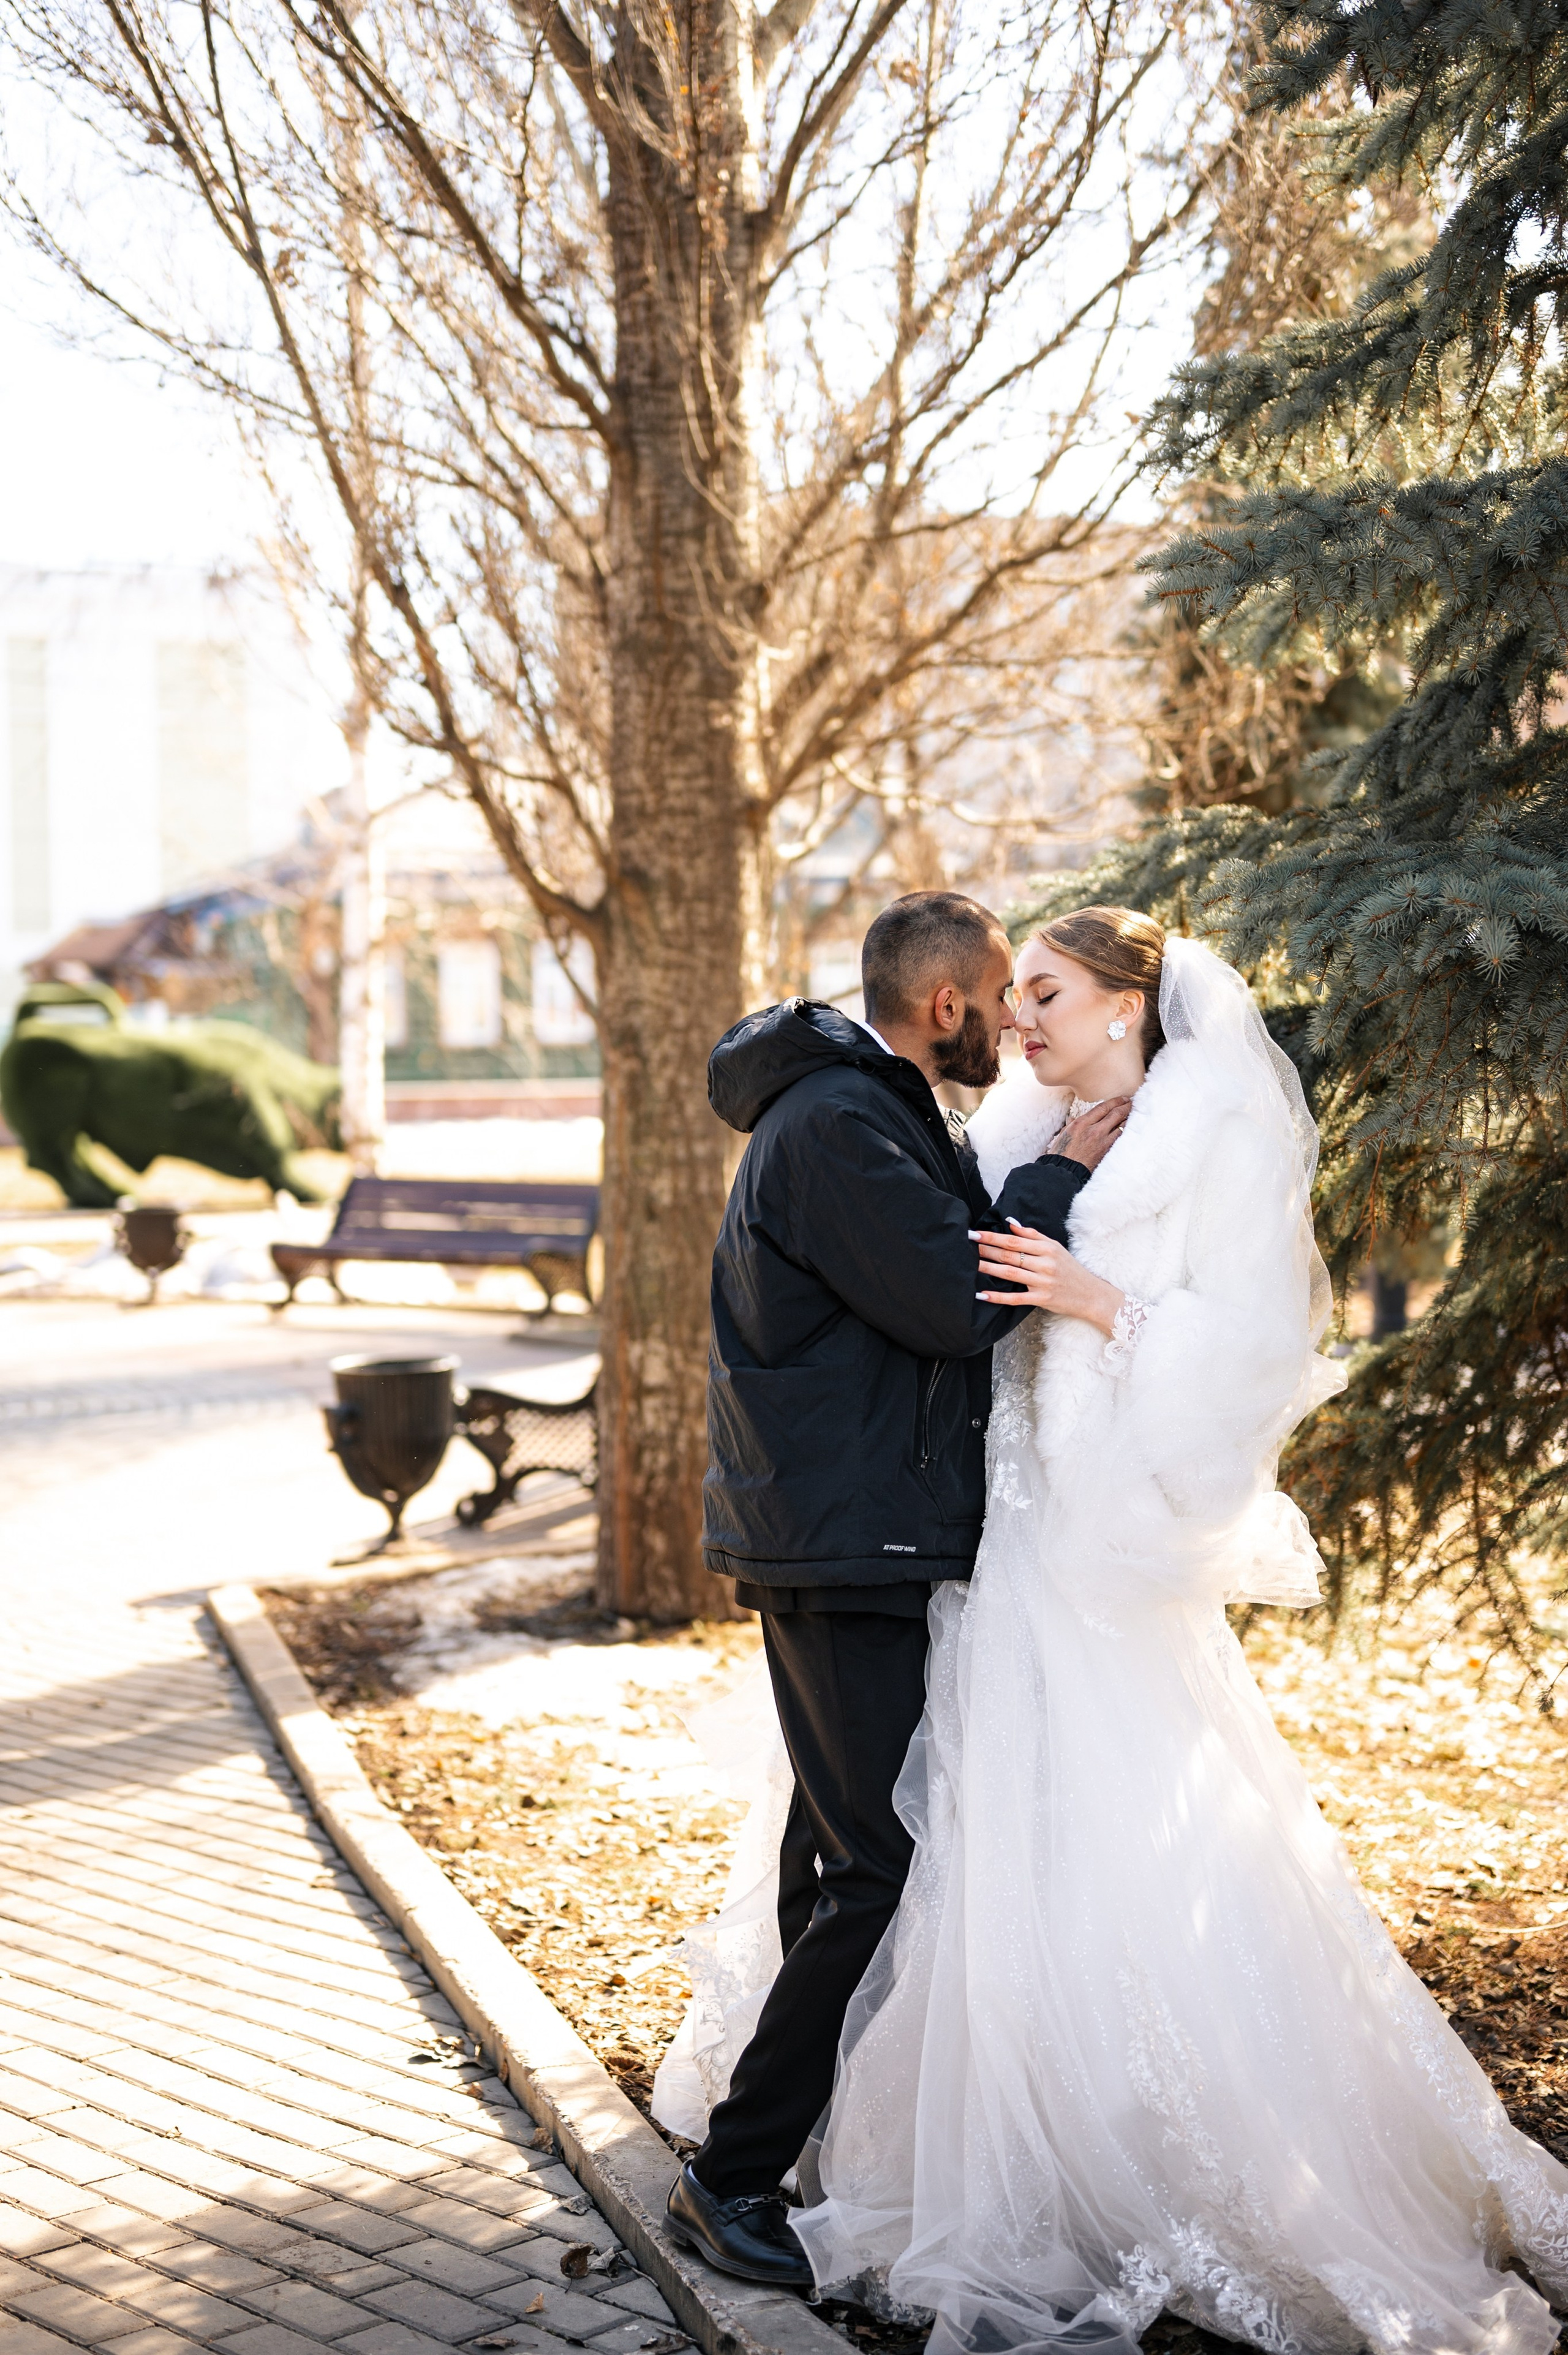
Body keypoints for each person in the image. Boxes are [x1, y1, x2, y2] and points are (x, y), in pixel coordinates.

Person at [786, 907, 1568, 2355]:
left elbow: (1259, 1342)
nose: (1015, 1016)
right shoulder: (1024, 1115)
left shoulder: (1207, 1125)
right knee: (970, 1820)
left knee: (1128, 1818)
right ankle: (964, 2136)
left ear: (1128, 1003)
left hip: (1104, 1532)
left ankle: (1157, 2153)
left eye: (1045, 991)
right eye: (1011, 990)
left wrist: (1104, 1304)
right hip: (991, 1519)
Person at [659, 891, 1128, 2289]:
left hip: (847, 1528)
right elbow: (949, 1301)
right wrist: (1050, 1183)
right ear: (946, 1004)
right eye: (1004, 993)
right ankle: (730, 2175)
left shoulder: (858, 1107)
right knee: (877, 1862)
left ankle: (799, 2144)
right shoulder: (842, 1123)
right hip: (839, 1536)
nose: (1014, 1019)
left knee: (836, 1853)